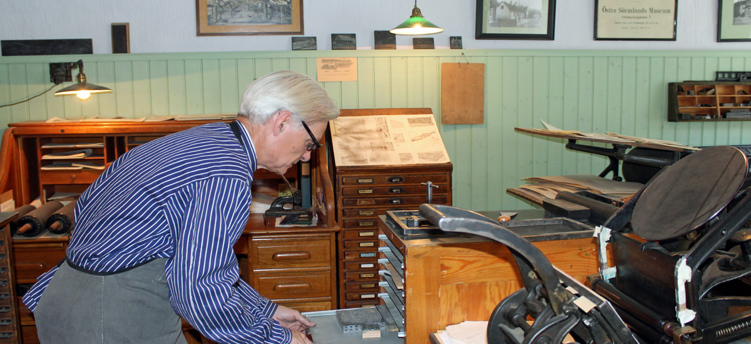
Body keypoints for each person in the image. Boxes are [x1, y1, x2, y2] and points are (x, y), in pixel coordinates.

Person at [22, 70, 339, 344]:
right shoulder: (225, 174)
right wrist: (276, 337)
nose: (308, 156)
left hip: (70, 301)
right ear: (282, 122)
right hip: (111, 317)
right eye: (311, 143)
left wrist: (266, 311)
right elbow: (198, 290)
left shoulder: (205, 140)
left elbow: (201, 263)